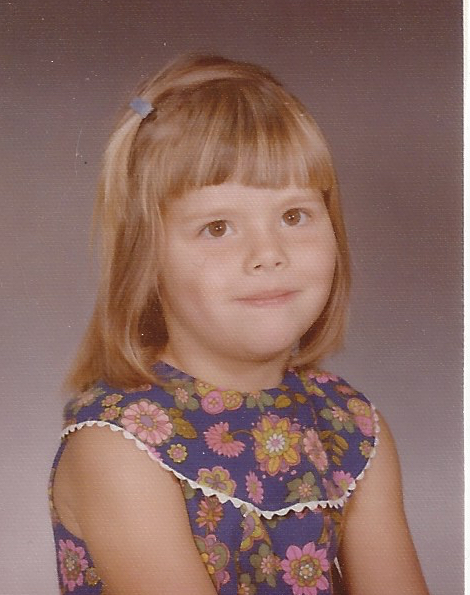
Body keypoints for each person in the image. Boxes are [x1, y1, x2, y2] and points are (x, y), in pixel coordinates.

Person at [48, 54, 429, 595]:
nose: (268, 253)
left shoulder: (351, 427)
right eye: (217, 227)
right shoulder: (120, 447)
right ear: (146, 260)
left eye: (293, 216)